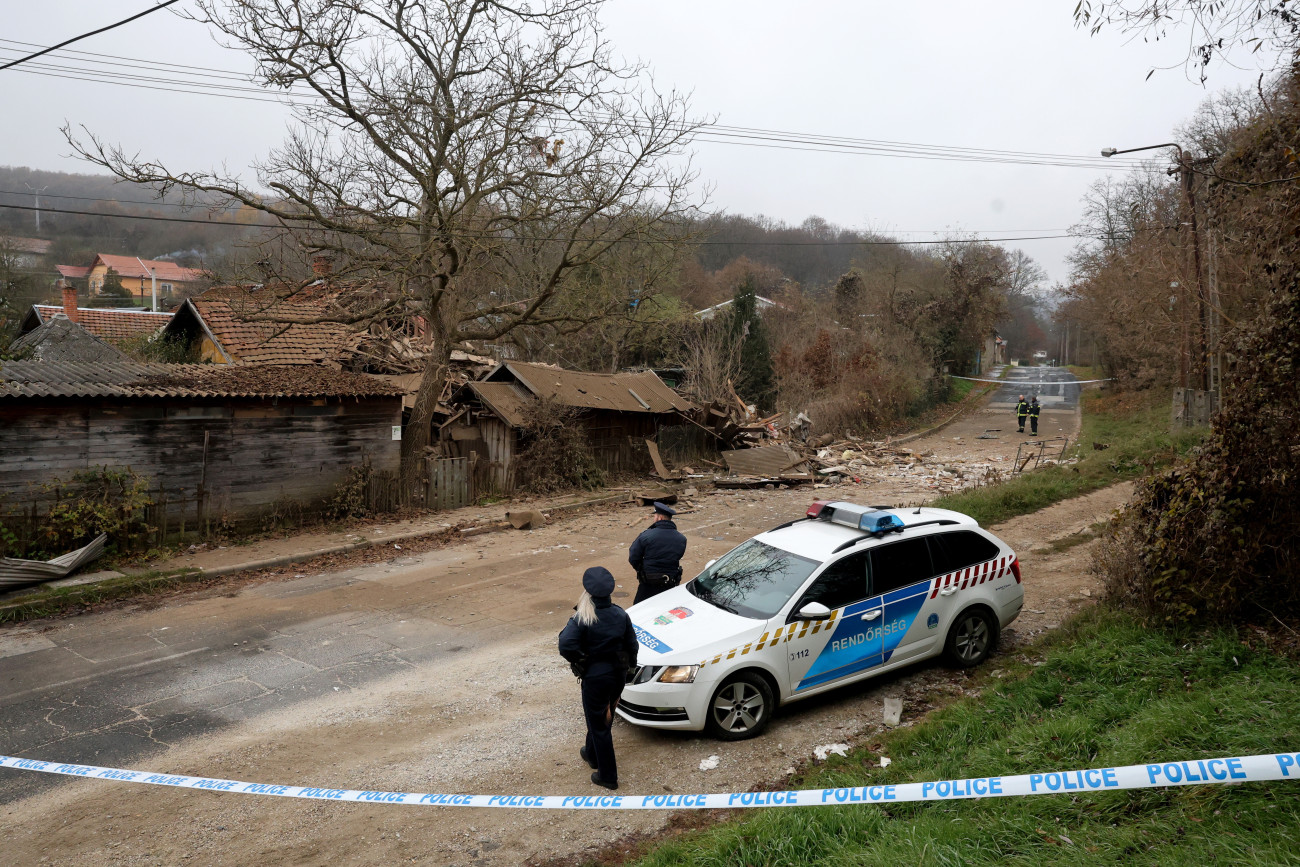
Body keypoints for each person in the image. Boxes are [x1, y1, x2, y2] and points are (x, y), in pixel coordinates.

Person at [558, 566, 638, 791]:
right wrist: (630, 667)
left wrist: (582, 660)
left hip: (596, 678)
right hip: (618, 675)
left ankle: (608, 776)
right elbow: (633, 646)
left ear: (588, 592)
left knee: (600, 724)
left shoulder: (582, 617)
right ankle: (591, 754)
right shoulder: (621, 614)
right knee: (603, 716)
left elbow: (566, 645)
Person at [628, 501, 688, 605]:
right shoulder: (681, 539)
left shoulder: (646, 535)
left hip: (648, 584)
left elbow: (633, 557)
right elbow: (678, 556)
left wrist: (641, 569)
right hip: (670, 584)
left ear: (659, 518)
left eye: (655, 516)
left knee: (639, 611)